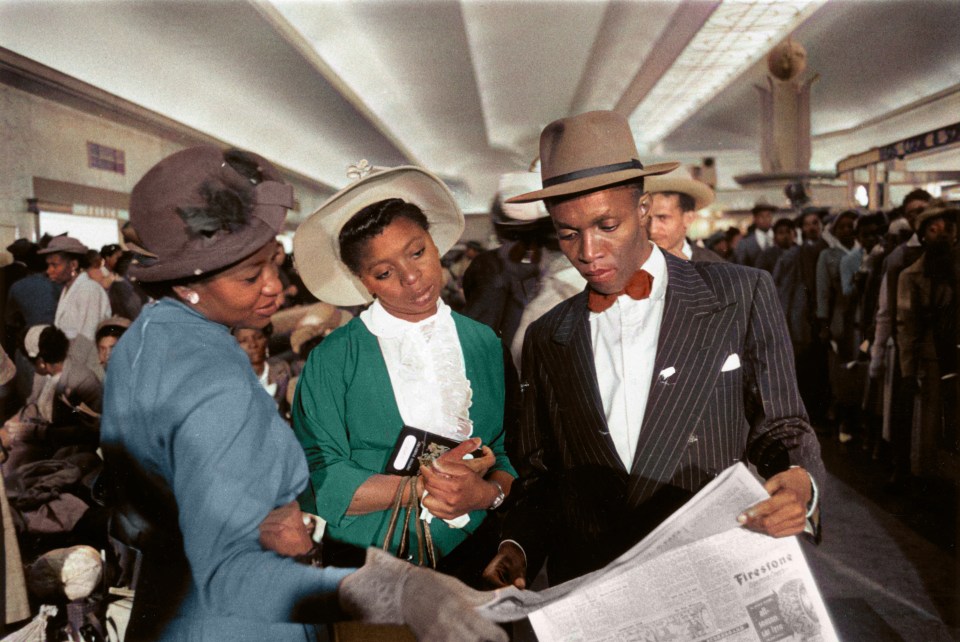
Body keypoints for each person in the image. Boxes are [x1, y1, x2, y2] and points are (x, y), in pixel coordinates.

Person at [99, 147, 505, 641]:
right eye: (251, 277)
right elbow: (233, 577)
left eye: (273, 263)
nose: (276, 288)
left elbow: (147, 506)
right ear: (187, 285)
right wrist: (398, 592)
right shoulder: (215, 378)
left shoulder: (144, 341)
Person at [480, 110, 824, 588]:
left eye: (606, 225)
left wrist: (797, 478)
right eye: (568, 233)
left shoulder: (740, 294)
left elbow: (781, 424)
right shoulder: (547, 337)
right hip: (593, 580)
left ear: (643, 211)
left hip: (709, 565)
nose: (588, 251)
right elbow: (541, 476)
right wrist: (518, 545)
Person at [291, 165, 516, 586]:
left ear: (435, 244)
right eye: (384, 272)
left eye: (417, 253)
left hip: (474, 554)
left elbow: (505, 452)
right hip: (370, 563)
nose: (412, 278)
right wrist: (422, 488)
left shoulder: (484, 343)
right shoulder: (333, 358)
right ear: (364, 282)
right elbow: (319, 477)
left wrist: (487, 493)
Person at [39, 236, 111, 376]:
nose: (49, 270)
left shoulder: (88, 289)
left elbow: (87, 337)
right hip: (72, 368)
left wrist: (68, 372)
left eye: (54, 265)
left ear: (73, 265)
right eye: (48, 265)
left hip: (86, 370)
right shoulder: (68, 289)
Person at [645, 168, 722, 262]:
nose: (652, 229)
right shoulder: (629, 263)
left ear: (688, 219)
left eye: (662, 218)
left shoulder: (714, 267)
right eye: (646, 218)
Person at [233, 325, 291, 416]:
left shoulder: (285, 370)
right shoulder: (232, 384)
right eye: (243, 341)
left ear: (266, 341)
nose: (253, 344)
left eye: (258, 337)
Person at [734, 202, 777, 267]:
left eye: (768, 215)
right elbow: (741, 265)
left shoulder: (779, 238)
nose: (765, 219)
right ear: (755, 218)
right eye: (761, 216)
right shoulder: (745, 242)